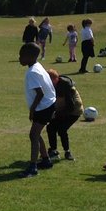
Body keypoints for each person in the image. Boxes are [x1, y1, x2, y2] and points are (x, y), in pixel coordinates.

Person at [18, 42, 56, 178]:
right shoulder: (37, 66)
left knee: (33, 135)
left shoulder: (32, 72)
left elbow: (40, 93)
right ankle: (45, 160)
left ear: (30, 57)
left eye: (21, 56)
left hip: (43, 107)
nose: (19, 58)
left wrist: (32, 109)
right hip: (49, 104)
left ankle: (33, 167)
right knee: (35, 133)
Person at [46, 69, 82, 161]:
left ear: (56, 79)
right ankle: (53, 150)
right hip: (62, 110)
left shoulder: (66, 87)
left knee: (62, 129)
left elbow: (71, 106)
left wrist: (56, 114)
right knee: (51, 127)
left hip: (74, 112)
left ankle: (67, 152)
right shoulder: (53, 86)